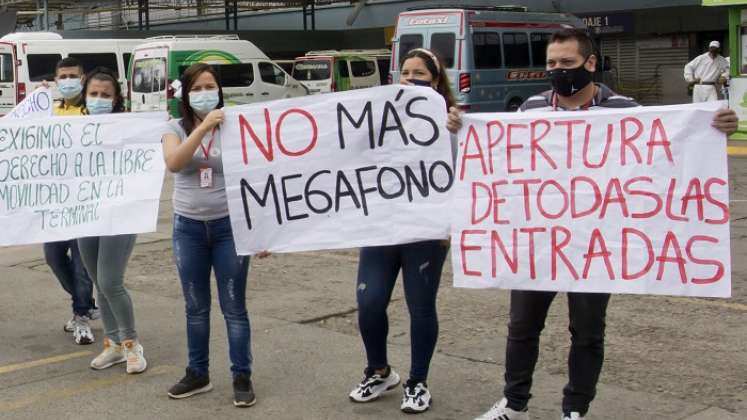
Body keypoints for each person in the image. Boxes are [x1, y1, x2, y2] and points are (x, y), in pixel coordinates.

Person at [446, 29, 738, 420]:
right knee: (521, 327)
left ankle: (575, 409)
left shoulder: (624, 111)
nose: (558, 70)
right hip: (538, 243)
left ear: (590, 63)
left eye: (567, 63)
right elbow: (500, 161)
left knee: (586, 332)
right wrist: (460, 130)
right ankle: (515, 405)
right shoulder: (531, 109)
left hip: (595, 247)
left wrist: (716, 127)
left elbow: (672, 149)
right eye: (551, 63)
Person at [347, 48, 457, 414]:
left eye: (419, 73)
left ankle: (417, 381)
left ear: (436, 81)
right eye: (404, 72)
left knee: (420, 306)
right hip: (380, 227)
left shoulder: (450, 125)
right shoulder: (378, 119)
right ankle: (379, 371)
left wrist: (451, 224)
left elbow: (466, 175)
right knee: (369, 302)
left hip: (425, 231)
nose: (410, 79)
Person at [161, 63, 256, 407]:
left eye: (211, 86)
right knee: (196, 307)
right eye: (198, 87)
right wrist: (203, 128)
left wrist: (262, 228)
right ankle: (197, 372)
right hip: (188, 228)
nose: (205, 92)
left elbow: (259, 172)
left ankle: (241, 374)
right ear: (187, 95)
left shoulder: (235, 125)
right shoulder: (173, 127)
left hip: (229, 226)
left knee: (234, 307)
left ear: (220, 90)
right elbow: (174, 162)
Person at [77, 67, 147, 375]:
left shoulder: (130, 128)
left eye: (106, 95)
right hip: (86, 215)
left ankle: (132, 345)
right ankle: (113, 345)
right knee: (98, 283)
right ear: (85, 96)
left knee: (110, 281)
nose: (99, 99)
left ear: (117, 99)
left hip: (120, 215)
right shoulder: (72, 131)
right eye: (94, 94)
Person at [43, 56, 97, 346]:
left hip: (85, 201)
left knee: (81, 263)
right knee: (53, 258)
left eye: (72, 76)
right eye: (62, 77)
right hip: (55, 202)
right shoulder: (49, 113)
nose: (67, 81)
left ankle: (82, 317)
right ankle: (85, 302)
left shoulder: (93, 111)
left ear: (83, 76)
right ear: (55, 80)